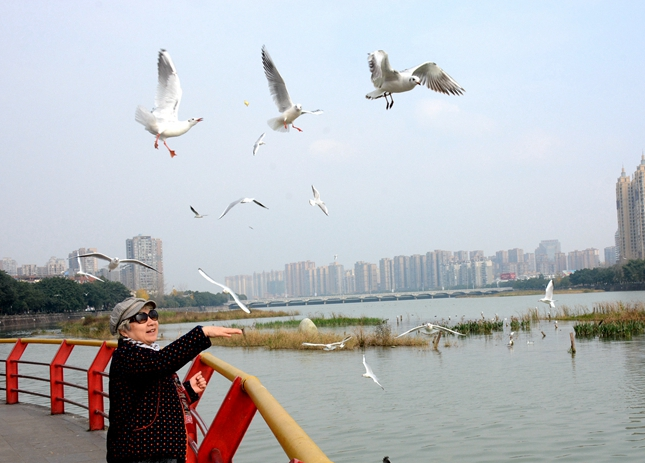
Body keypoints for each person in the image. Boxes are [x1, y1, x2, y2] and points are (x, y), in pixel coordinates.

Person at [106, 297, 242, 463]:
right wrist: (202, 333)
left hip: (155, 452)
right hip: (140, 454)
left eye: (153, 315)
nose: (150, 322)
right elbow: (160, 363)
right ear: (123, 330)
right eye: (141, 318)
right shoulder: (127, 355)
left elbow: (151, 397)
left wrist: (187, 391)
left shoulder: (147, 353)